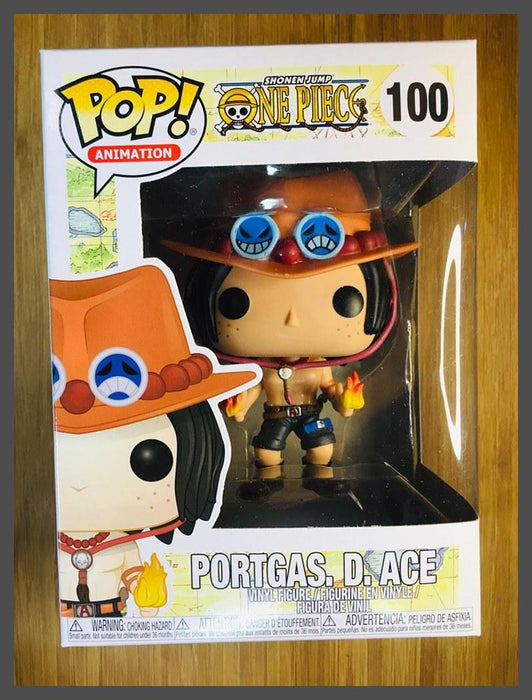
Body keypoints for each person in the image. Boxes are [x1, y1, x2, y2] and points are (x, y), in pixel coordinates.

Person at [163, 168, 418, 495]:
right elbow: (250, 393)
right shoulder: (263, 370)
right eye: (236, 303)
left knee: (322, 451)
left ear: (381, 298)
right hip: (275, 415)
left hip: (311, 414)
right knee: (266, 453)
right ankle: (266, 483)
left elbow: (332, 392)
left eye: (343, 300)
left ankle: (322, 480)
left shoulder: (318, 366)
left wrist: (346, 400)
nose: (293, 319)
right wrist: (238, 406)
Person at [50, 262, 257, 617]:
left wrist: (148, 595)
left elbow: (135, 575)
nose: (80, 483)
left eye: (148, 460)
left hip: (111, 616)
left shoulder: (121, 545)